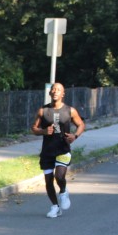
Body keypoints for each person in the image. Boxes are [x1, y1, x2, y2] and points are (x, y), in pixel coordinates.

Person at [31, 83, 85, 217]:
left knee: (59, 176)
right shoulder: (43, 111)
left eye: (58, 90)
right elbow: (34, 128)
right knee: (48, 180)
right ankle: (55, 207)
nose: (55, 91)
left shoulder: (70, 110)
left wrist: (75, 136)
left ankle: (63, 191)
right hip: (47, 151)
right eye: (53, 89)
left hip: (63, 149)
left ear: (63, 94)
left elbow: (81, 124)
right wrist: (43, 131)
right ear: (50, 93)